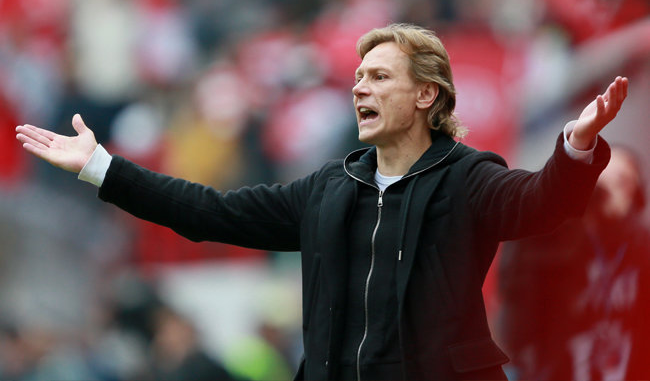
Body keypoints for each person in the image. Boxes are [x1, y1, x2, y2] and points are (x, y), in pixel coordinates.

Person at [15, 24, 627, 380]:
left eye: (380, 77)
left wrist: (575, 148)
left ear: (426, 96)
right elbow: (208, 212)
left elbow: (541, 203)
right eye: (359, 77)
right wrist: (101, 167)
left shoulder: (469, 178)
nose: (360, 88)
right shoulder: (328, 187)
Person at [498, 145, 649, 381]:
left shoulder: (641, 251)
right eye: (602, 182)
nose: (611, 192)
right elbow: (519, 305)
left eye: (623, 181)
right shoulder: (556, 246)